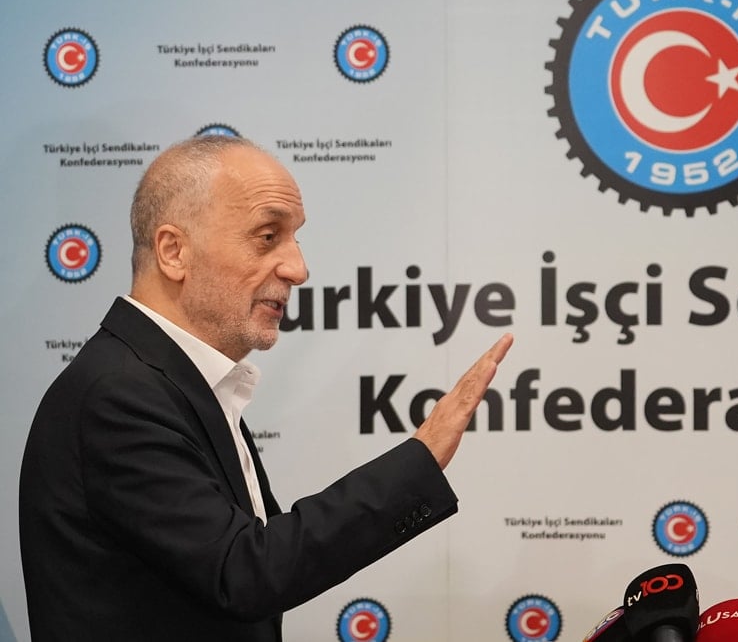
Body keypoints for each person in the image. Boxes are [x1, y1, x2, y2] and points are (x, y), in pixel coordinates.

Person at [18, 135, 513, 641]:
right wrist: (421, 457)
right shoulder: (118, 396)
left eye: (295, 238)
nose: (298, 269)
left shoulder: (173, 385)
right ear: (173, 251)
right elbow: (246, 570)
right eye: (267, 236)